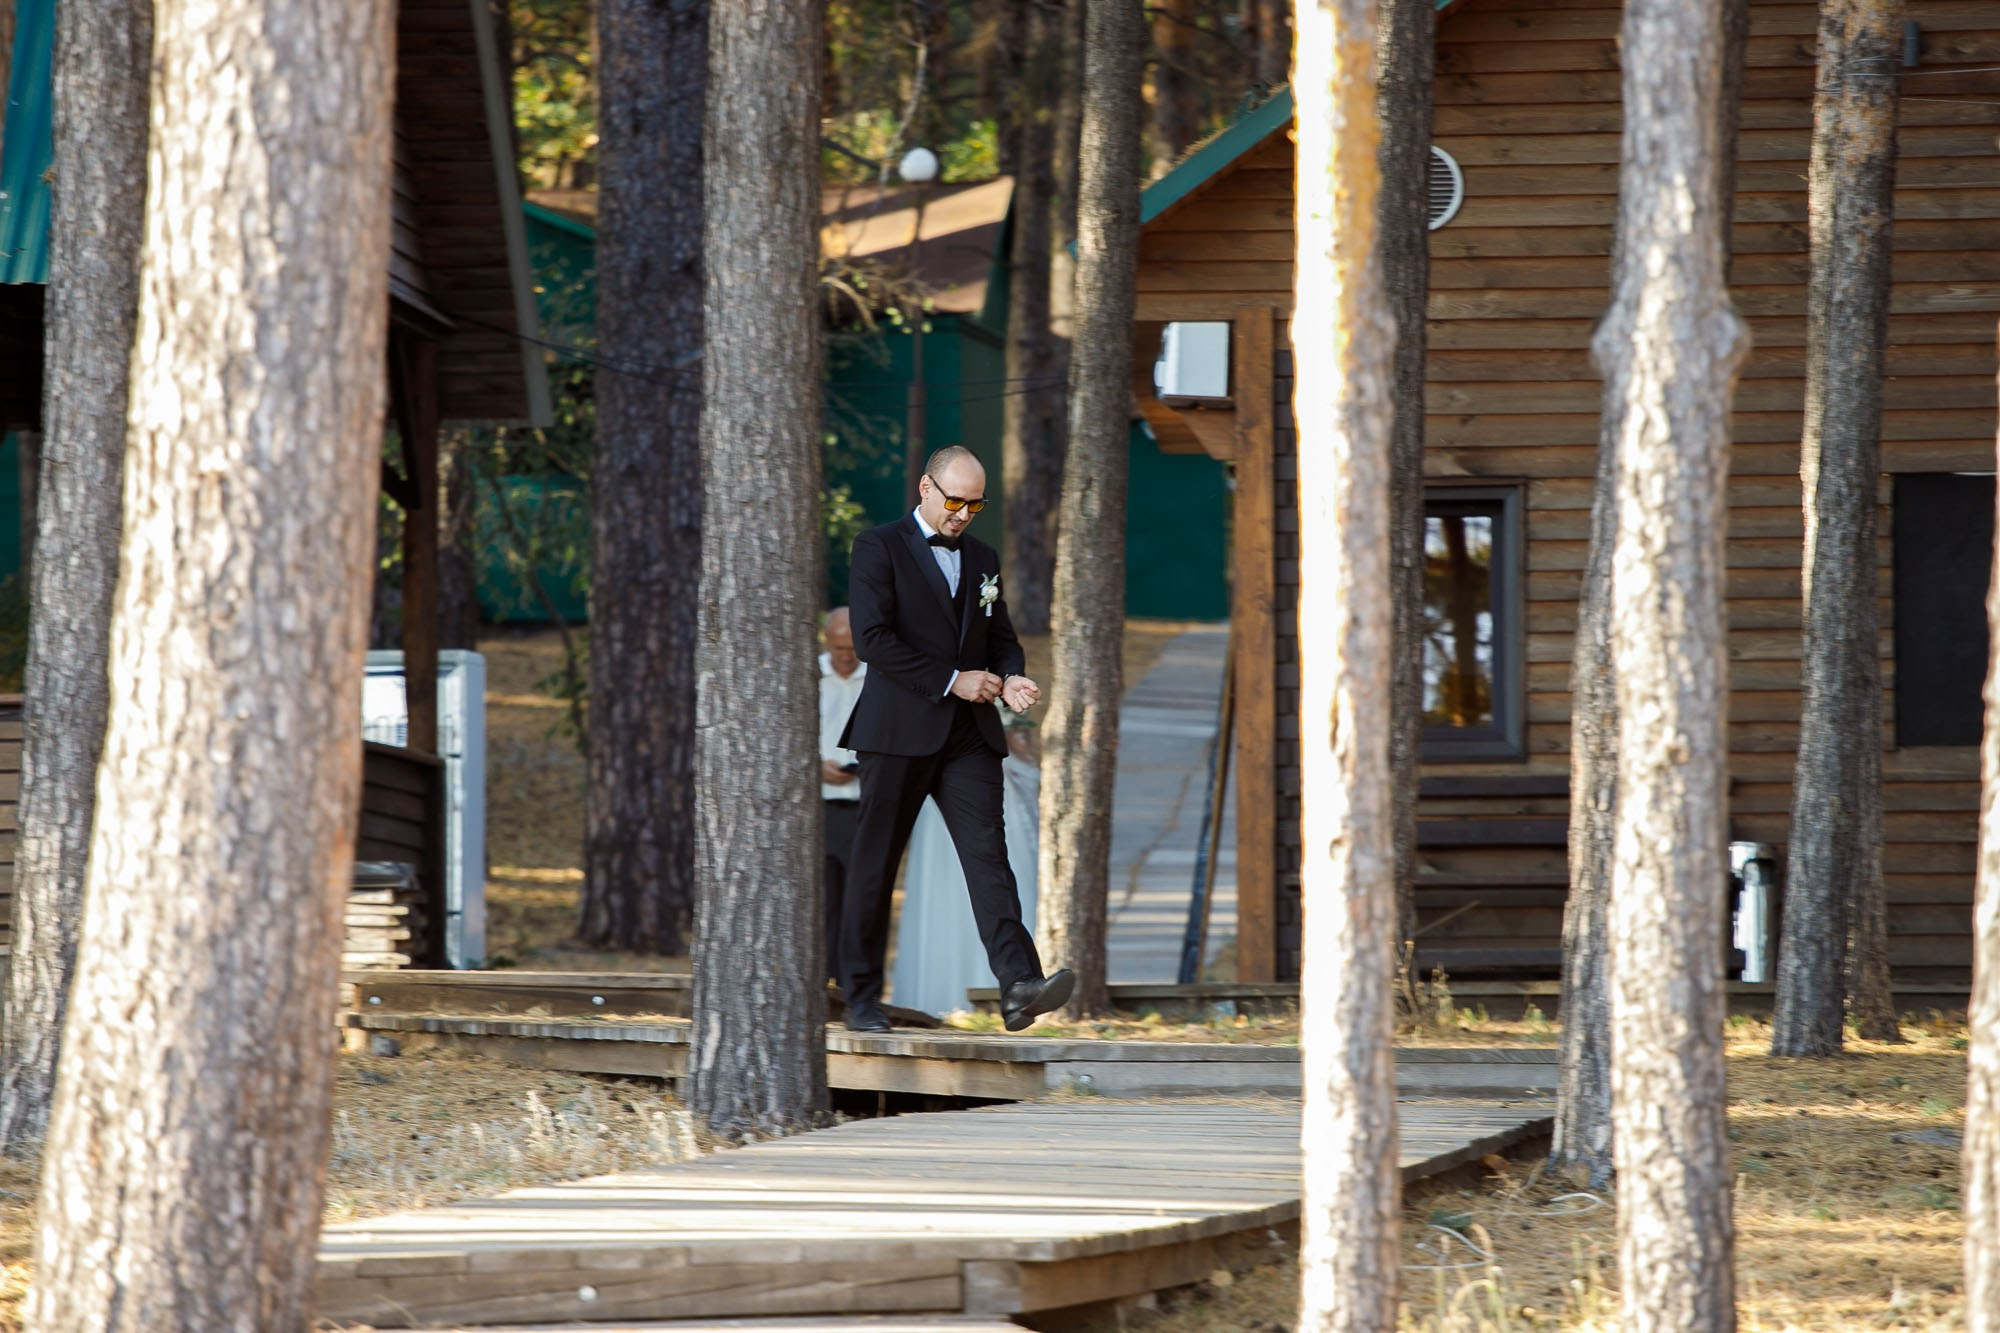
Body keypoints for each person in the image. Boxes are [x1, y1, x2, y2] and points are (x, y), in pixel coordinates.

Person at [837, 444, 1074, 1033]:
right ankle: (861, 999)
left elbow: (1003, 638)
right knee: (875, 864)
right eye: (955, 500)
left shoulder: (983, 558)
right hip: (897, 731)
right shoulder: (878, 546)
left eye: (975, 503)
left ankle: (1018, 986)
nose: (964, 514)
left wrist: (1013, 677)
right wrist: (951, 680)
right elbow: (872, 639)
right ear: (925, 488)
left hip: (968, 736)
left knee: (989, 857)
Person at [892, 712, 1040, 1017]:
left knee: (995, 872)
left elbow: (1025, 752)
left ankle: (1017, 979)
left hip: (985, 773)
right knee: (947, 889)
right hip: (934, 780)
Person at [818, 607, 866, 982]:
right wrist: (814, 765)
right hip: (816, 808)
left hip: (863, 806)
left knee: (861, 902)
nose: (846, 656)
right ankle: (822, 978)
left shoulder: (876, 678)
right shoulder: (811, 676)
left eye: (852, 648)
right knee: (822, 901)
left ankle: (857, 983)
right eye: (838, 648)